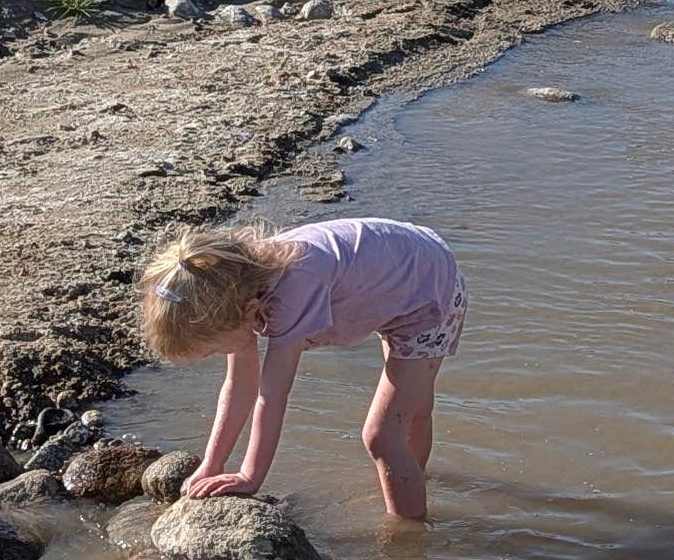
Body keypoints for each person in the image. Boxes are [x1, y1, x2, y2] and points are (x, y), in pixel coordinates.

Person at [136, 216, 462, 520]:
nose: (218, 355)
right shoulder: (234, 287)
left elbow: (272, 394)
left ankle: (409, 541)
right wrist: (212, 463)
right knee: (410, 412)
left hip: (429, 289)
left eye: (215, 349)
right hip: (400, 273)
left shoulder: (293, 290)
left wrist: (250, 476)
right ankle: (410, 478)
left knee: (382, 435)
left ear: (247, 311)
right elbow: (239, 387)